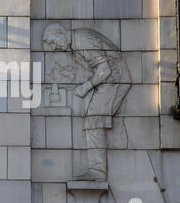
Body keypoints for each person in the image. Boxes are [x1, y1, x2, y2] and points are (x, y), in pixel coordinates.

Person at [43, 23, 131, 181]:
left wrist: (86, 87)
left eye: (52, 42)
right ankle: (99, 168)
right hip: (111, 81)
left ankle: (98, 171)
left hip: (114, 80)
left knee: (94, 122)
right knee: (96, 121)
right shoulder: (76, 41)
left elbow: (105, 70)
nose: (53, 47)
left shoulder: (82, 40)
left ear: (60, 34)